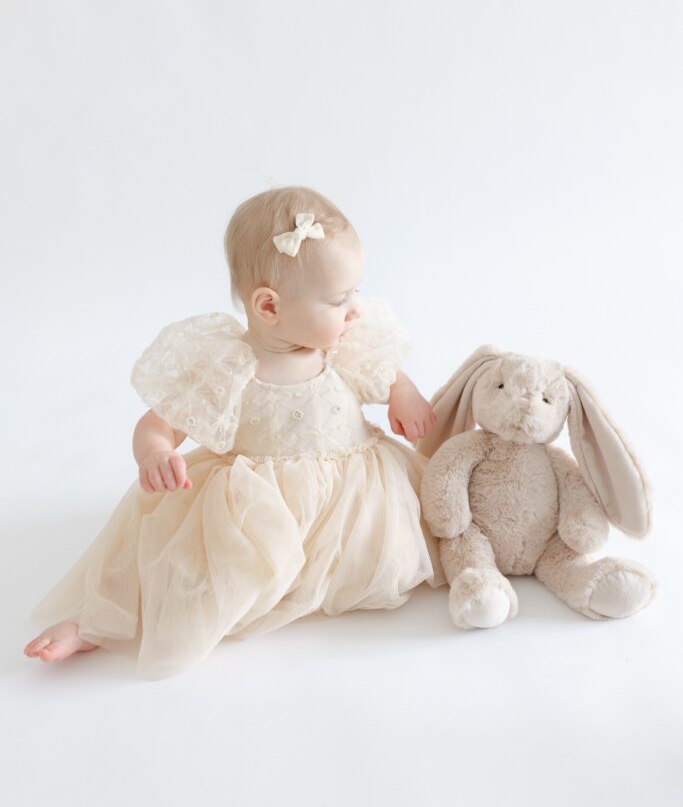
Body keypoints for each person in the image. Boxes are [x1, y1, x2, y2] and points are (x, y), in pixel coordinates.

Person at [25, 185, 445, 679]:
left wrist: (404, 395)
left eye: (354, 292)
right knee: (186, 570)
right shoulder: (229, 366)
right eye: (338, 299)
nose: (354, 309)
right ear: (268, 307)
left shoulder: (344, 344)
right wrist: (155, 452)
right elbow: (160, 423)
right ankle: (97, 621)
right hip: (258, 510)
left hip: (354, 501)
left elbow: (388, 373)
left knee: (417, 538)